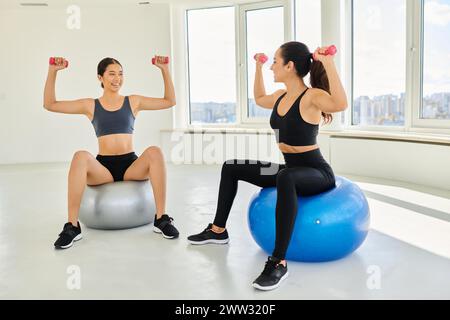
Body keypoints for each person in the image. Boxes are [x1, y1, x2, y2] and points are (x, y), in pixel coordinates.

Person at [187, 41, 348, 291]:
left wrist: (328, 62)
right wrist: (258, 67)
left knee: (286, 178)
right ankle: (218, 230)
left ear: (290, 65)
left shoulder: (312, 96)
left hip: (316, 172)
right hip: (290, 167)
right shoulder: (280, 96)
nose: (273, 66)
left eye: (274, 61)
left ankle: (278, 262)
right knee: (232, 166)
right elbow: (260, 98)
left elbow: (339, 104)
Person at [44, 56, 179, 249]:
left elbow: (170, 101)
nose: (117, 79)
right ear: (100, 78)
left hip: (130, 165)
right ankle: (72, 226)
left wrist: (164, 69)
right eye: (112, 74)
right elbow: (50, 104)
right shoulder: (90, 105)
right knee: (80, 156)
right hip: (103, 169)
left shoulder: (133, 101)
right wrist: (52, 71)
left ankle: (162, 219)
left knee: (155, 152)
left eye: (121, 74)